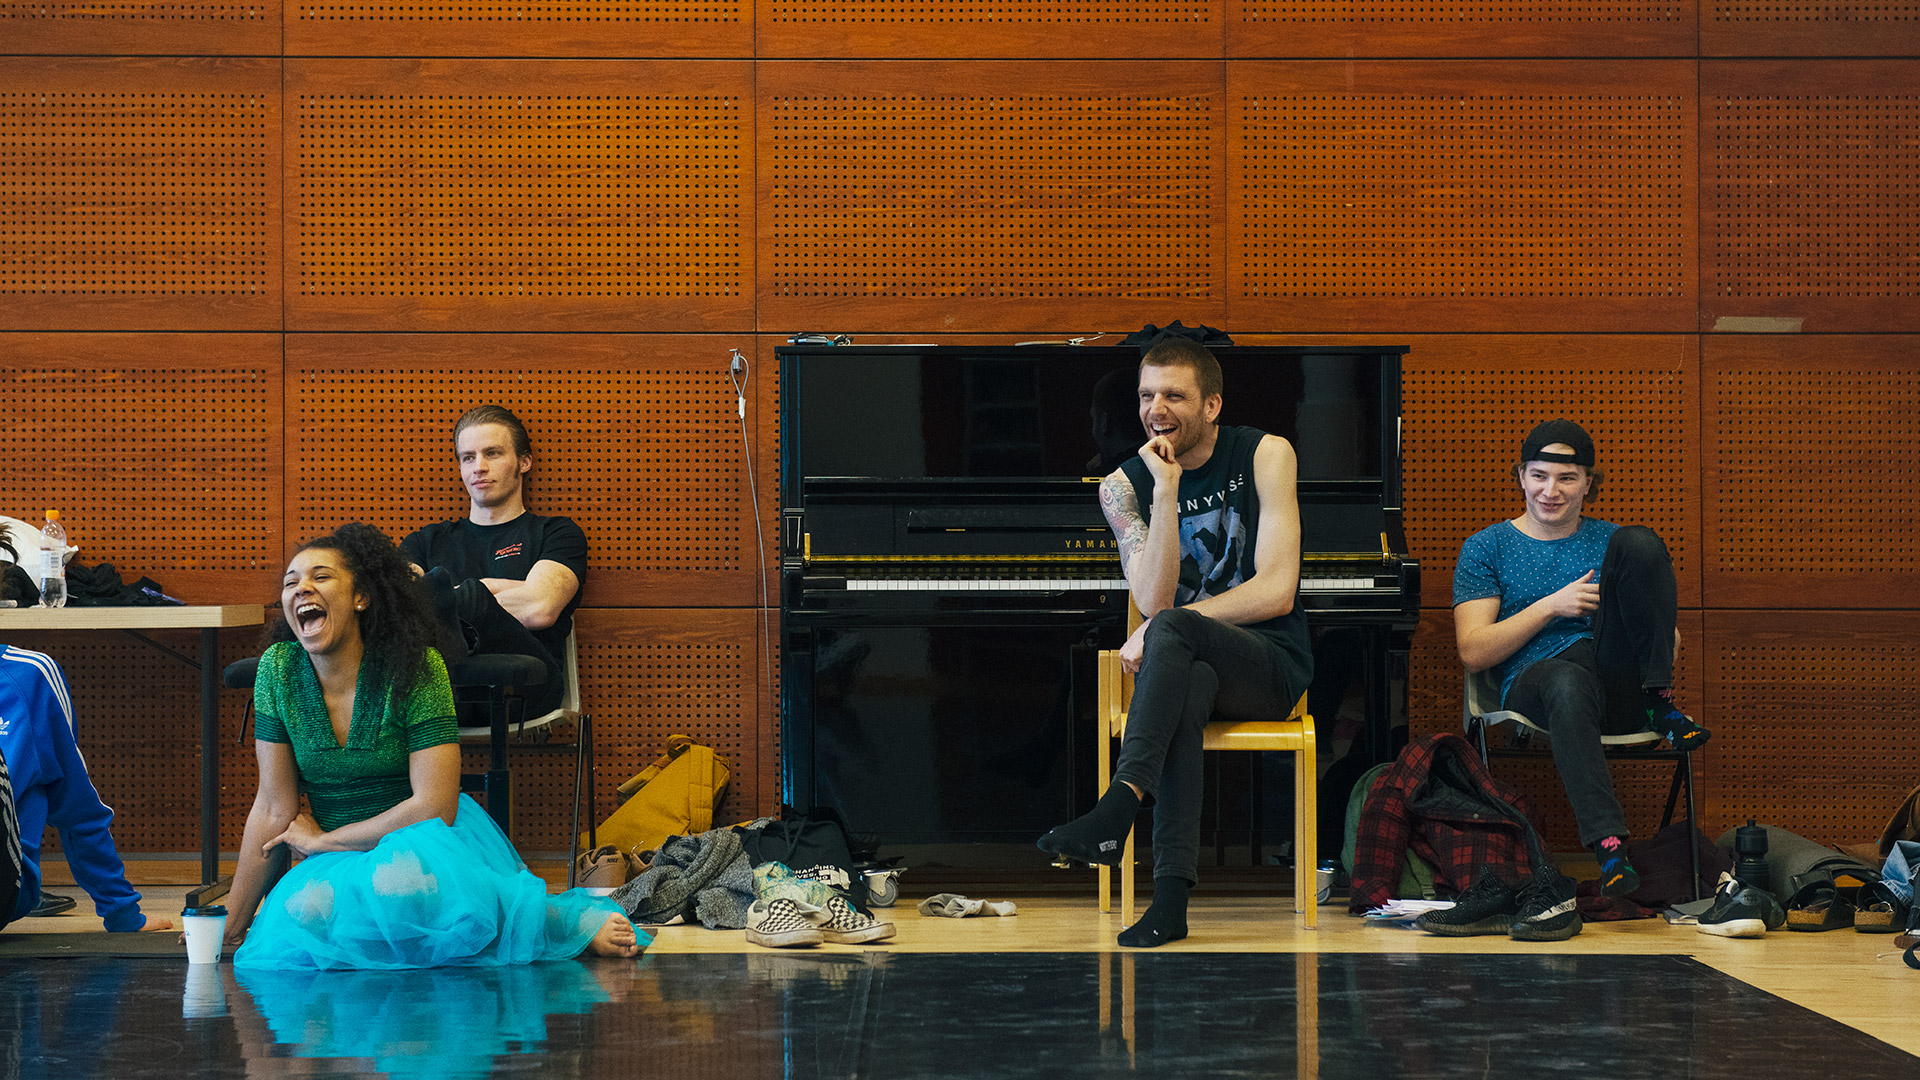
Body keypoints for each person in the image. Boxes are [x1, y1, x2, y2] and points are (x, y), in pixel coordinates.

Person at [225, 522, 641, 968]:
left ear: (361, 597)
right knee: (304, 918)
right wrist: (228, 927)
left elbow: (434, 806)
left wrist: (326, 841)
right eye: (291, 583)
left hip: (417, 841)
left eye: (321, 577)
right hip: (333, 854)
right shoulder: (278, 670)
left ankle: (554, 918)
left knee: (402, 888)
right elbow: (273, 809)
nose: (302, 588)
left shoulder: (419, 667)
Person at [1038, 337, 1314, 948]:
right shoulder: (1122, 488)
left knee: (1175, 635)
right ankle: (1169, 903)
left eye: (1174, 395)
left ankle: (1117, 806)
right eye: (1146, 395)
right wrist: (1165, 492)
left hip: (1267, 663)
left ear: (1211, 405)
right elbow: (1158, 601)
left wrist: (1164, 626)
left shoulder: (1266, 454)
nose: (1156, 408)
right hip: (1183, 668)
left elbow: (1276, 592)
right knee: (1184, 683)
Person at [1452, 419, 1707, 898]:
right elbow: (1473, 651)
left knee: (1642, 540)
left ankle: (1660, 701)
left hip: (1614, 678)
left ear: (1589, 484)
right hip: (1536, 683)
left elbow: (1667, 641)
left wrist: (1653, 641)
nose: (1551, 490)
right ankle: (1609, 847)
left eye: (1567, 478)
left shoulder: (1610, 542)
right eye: (1540, 475)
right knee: (1566, 679)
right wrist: (1553, 606)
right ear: (1521, 476)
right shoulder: (1487, 547)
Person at [401, 405, 586, 719]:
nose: (479, 467)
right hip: (444, 692)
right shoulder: (425, 541)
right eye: (468, 457)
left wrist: (470, 594)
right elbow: (399, 611)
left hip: (526, 689)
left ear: (523, 462)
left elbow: (539, 607)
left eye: (493, 454)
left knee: (466, 594)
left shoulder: (556, 533)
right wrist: (506, 589)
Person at [0, 642, 171, 933]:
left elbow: (78, 807)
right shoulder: (29, 672)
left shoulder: (29, 675)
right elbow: (77, 808)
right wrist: (122, 912)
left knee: (44, 776)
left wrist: (122, 912)